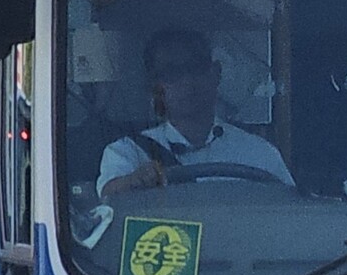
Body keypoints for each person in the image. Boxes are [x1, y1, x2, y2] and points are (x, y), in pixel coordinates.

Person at [97, 28, 294, 196]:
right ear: (154, 87)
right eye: (171, 73)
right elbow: (108, 200)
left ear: (215, 74)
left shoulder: (259, 153)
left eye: (195, 68)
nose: (187, 81)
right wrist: (135, 181)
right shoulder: (129, 153)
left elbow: (290, 215)